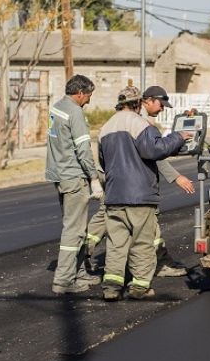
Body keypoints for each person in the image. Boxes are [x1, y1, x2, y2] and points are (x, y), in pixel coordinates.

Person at [85, 87, 195, 278]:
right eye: (161, 105)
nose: (162, 109)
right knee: (142, 229)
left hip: (114, 182)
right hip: (131, 186)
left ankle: (104, 270)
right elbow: (154, 152)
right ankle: (150, 271)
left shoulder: (116, 121)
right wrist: (177, 175)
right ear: (147, 101)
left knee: (113, 228)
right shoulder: (139, 121)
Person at [46, 74, 104, 295]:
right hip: (74, 177)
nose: (88, 100)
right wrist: (94, 178)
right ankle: (63, 280)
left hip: (59, 175)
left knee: (77, 227)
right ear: (80, 93)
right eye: (88, 96)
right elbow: (83, 150)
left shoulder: (57, 107)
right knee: (74, 230)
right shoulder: (75, 112)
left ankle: (79, 273)